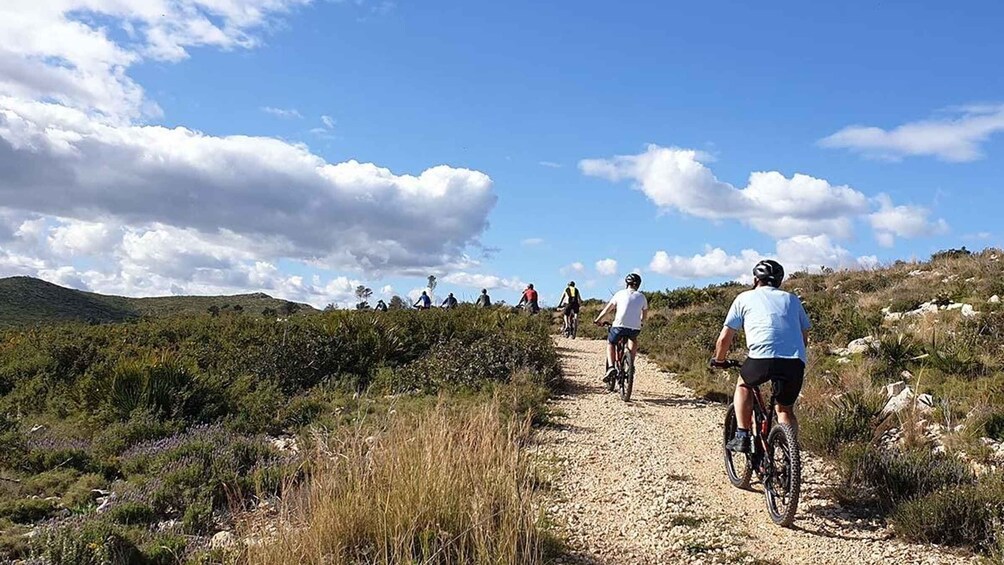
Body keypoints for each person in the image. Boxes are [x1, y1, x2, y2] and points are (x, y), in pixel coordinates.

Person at [712, 259, 810, 454]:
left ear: (756, 279)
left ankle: (741, 434)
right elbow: (804, 336)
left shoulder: (744, 298)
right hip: (794, 361)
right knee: (784, 410)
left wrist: (719, 359)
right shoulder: (792, 299)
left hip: (761, 359)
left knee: (743, 384)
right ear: (779, 281)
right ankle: (789, 454)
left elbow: (724, 339)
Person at [594, 273, 648, 384]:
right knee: (633, 339)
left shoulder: (619, 294)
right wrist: (641, 323)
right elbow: (645, 315)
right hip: (634, 328)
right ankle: (631, 364)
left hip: (619, 326)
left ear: (626, 283)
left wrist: (598, 319)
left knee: (611, 343)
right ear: (638, 285)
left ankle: (611, 367)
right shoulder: (642, 297)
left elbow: (607, 310)